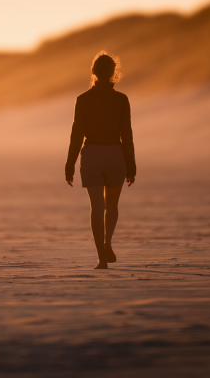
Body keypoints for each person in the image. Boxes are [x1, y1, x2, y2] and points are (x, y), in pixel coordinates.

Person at [65, 51, 137, 269]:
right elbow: (127, 134)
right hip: (116, 153)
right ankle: (107, 242)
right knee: (112, 205)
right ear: (114, 72)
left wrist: (69, 164)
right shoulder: (121, 100)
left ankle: (101, 258)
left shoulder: (83, 100)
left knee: (96, 208)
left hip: (93, 154)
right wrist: (131, 166)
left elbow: (77, 134)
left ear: (93, 72)